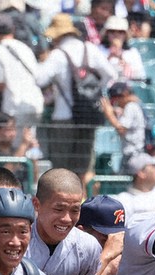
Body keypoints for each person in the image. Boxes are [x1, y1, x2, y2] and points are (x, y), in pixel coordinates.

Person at [35, 14, 117, 183]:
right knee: (83, 169)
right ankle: (82, 198)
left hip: (63, 118)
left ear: (56, 35)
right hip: (88, 117)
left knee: (61, 171)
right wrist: (93, 91)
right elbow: (111, 74)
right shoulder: (90, 48)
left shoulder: (57, 54)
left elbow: (39, 79)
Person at [0, 12, 44, 137]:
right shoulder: (25, 48)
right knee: (31, 143)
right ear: (12, 29)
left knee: (17, 146)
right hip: (36, 104)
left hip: (14, 108)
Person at [100, 81, 145, 174]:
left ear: (124, 95)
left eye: (116, 99)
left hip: (133, 155)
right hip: (132, 154)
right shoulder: (132, 106)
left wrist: (109, 115)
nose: (115, 103)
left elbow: (121, 130)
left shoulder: (131, 106)